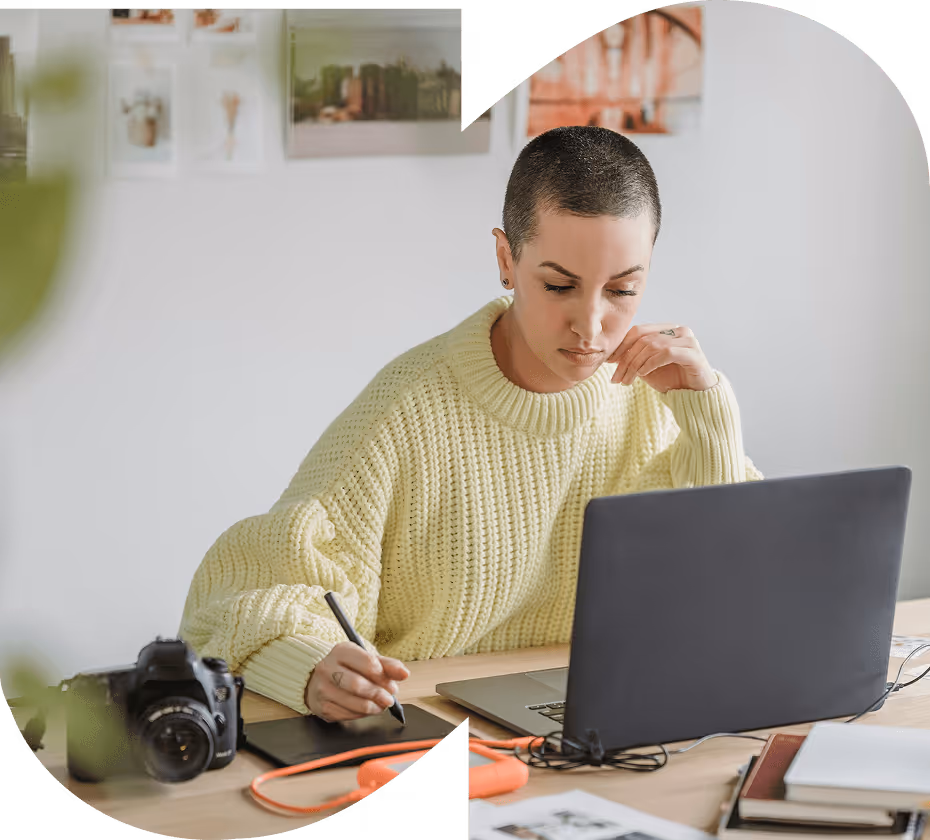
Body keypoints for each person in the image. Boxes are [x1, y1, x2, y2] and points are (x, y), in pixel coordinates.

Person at [178, 126, 762, 722]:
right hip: (429, 732)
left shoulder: (652, 400)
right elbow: (227, 607)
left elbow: (730, 596)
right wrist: (309, 668)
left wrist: (707, 410)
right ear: (507, 260)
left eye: (623, 290)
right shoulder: (407, 411)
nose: (591, 326)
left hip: (597, 718)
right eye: (559, 286)